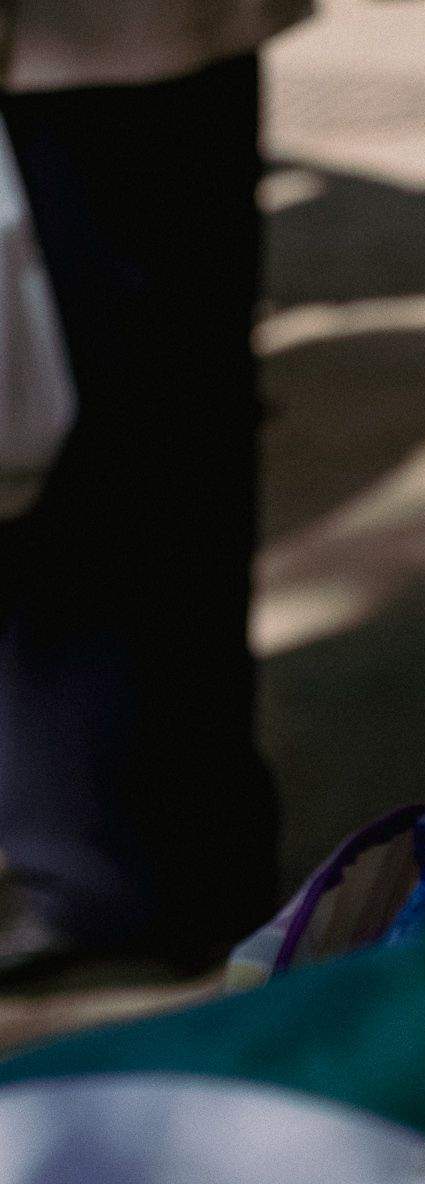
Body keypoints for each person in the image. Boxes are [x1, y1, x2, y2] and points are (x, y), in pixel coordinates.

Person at [0, 0, 306, 966]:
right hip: (159, 37)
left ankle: (110, 864)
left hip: (77, 48)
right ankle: (190, 847)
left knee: (91, 441)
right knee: (177, 414)